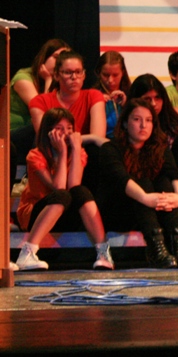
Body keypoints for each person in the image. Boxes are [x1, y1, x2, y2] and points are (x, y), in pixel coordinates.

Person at [16, 108, 113, 270]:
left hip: (63, 213)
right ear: (48, 131)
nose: (66, 133)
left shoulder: (79, 153)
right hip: (35, 214)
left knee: (81, 192)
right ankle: (27, 253)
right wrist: (61, 154)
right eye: (59, 129)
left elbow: (73, 185)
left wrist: (74, 150)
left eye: (69, 129)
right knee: (62, 195)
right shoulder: (35, 155)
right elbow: (59, 187)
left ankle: (103, 252)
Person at [99, 99, 178, 268]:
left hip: (152, 211)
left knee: (163, 182)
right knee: (144, 183)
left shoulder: (159, 147)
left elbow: (174, 173)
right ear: (125, 123)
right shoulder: (110, 148)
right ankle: (157, 250)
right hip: (120, 211)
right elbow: (121, 180)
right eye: (136, 119)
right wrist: (145, 197)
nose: (143, 125)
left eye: (148, 120)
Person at [29, 51, 107, 194]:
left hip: (83, 154)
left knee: (96, 153)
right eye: (68, 73)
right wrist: (82, 138)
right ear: (57, 76)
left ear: (84, 75)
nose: (74, 77)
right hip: (53, 155)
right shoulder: (40, 102)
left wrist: (79, 141)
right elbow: (47, 138)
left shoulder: (93, 96)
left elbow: (98, 136)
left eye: (78, 72)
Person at [128, 75, 178, 209]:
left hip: (173, 183)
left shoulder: (174, 127)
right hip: (141, 183)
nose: (153, 104)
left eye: (157, 98)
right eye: (147, 99)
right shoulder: (130, 124)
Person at [8, 38, 69, 185]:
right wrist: (48, 80)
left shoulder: (59, 83)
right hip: (13, 133)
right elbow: (41, 110)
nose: (59, 62)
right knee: (43, 127)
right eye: (56, 57)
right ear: (44, 57)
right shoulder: (23, 77)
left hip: (33, 131)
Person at [93, 50, 131, 138]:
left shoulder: (132, 94)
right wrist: (96, 103)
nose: (110, 80)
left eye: (115, 75)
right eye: (105, 75)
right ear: (99, 73)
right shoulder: (91, 95)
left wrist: (127, 105)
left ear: (123, 73)